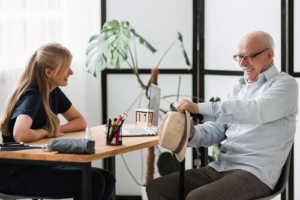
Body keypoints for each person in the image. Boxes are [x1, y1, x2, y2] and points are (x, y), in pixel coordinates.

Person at [147, 31, 298, 200]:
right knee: (158, 188)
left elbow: (256, 110)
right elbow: (218, 130)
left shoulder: (286, 85)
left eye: (248, 56)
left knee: (199, 198)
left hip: (255, 174)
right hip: (220, 168)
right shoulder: (239, 89)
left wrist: (198, 108)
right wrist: (192, 133)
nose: (242, 63)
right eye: (239, 57)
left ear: (269, 55)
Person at [0, 43, 115, 200]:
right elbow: (20, 134)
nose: (71, 72)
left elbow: (80, 121)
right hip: (17, 173)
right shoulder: (32, 95)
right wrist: (47, 131)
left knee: (107, 178)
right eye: (66, 67)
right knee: (94, 181)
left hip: (40, 165)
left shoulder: (53, 92)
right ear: (49, 72)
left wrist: (56, 129)